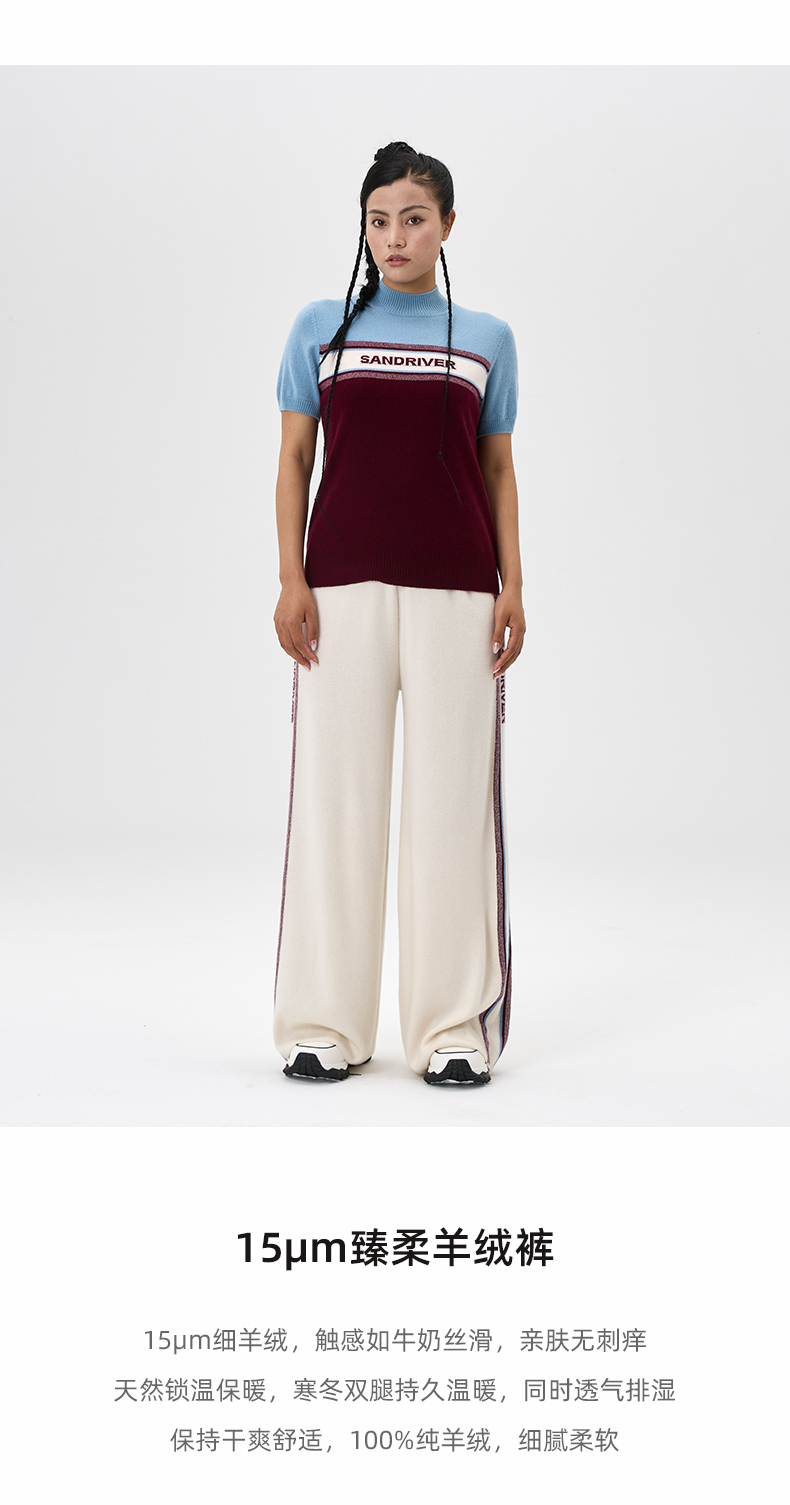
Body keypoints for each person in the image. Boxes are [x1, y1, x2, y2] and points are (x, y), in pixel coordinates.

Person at [272, 141, 525, 1087]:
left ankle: (453, 1028)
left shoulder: (487, 338)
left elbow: (498, 468)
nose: (394, 238)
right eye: (378, 221)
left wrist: (513, 583)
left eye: (413, 219)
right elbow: (295, 461)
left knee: (451, 805)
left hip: (460, 593)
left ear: (447, 225)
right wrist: (291, 579)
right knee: (337, 803)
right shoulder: (319, 329)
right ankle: (323, 1023)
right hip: (339, 593)